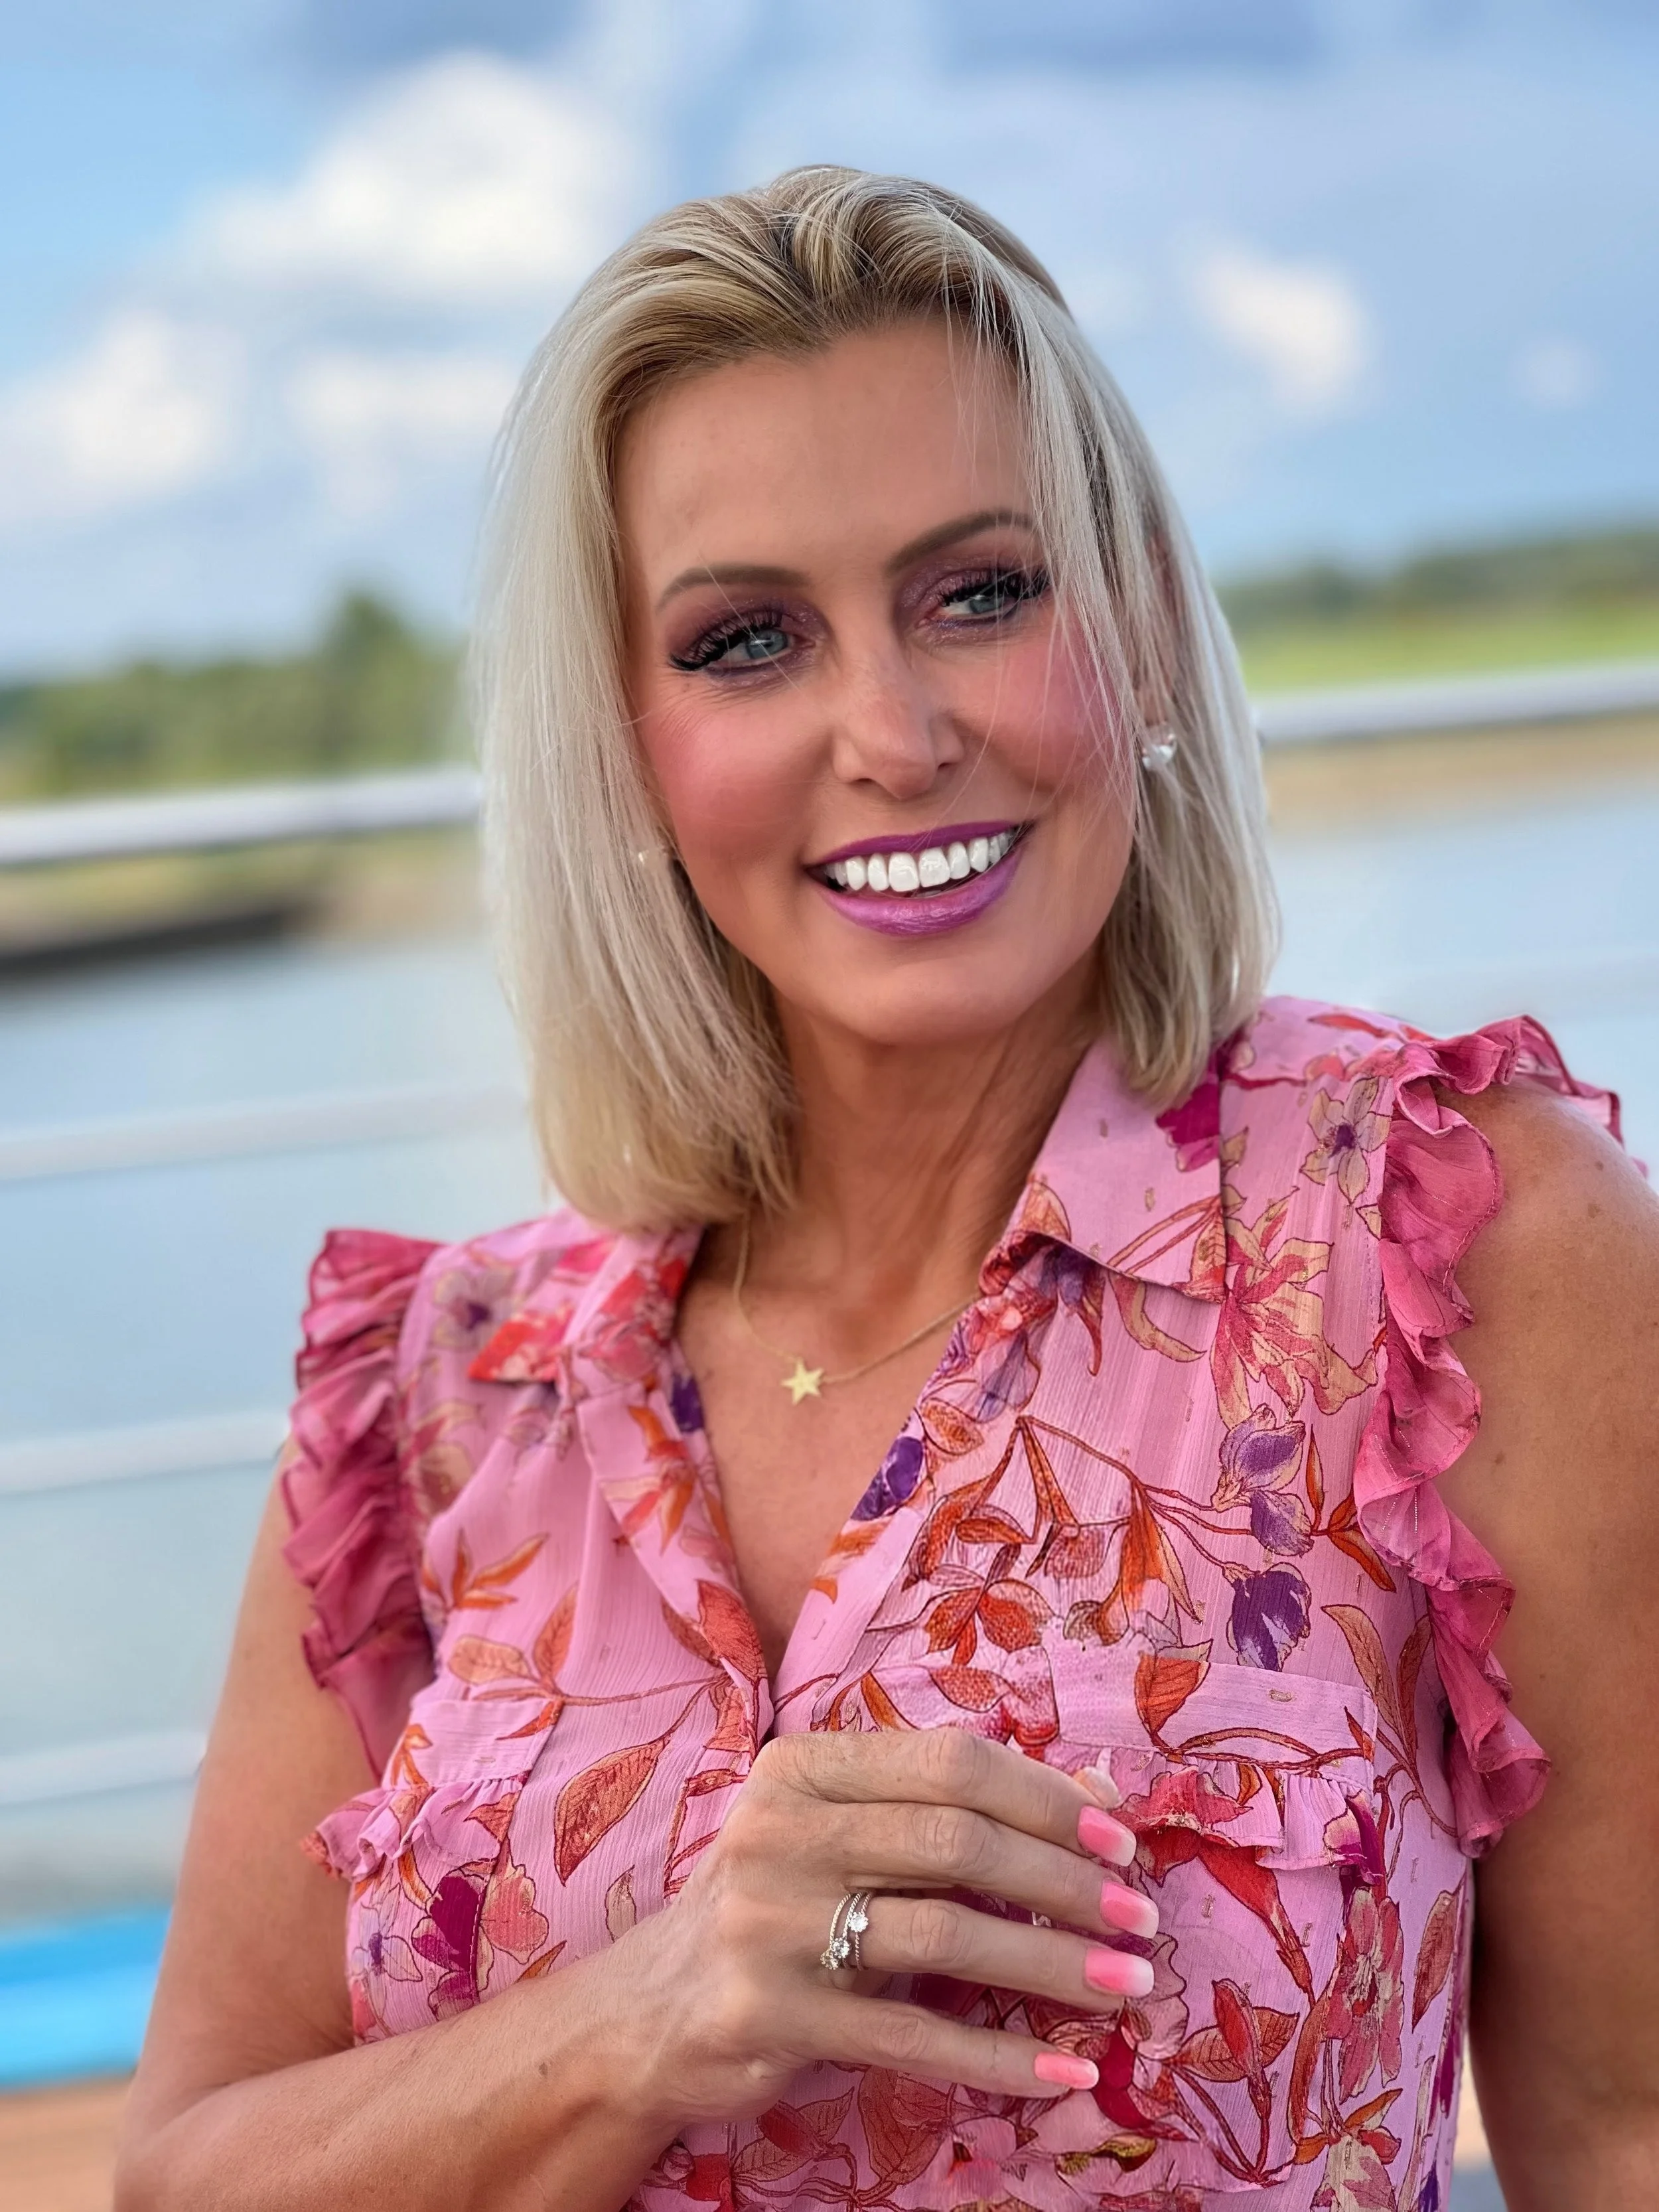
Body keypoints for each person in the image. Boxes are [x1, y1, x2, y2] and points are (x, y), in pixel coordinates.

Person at [114, 169, 1659, 2212]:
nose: (896, 730)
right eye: (748, 639)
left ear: (1145, 634)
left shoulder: (1450, 1245)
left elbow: (1623, 2126)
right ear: (630, 750)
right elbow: (190, 2168)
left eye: (980, 591)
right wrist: (645, 2004)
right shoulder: (446, 1388)